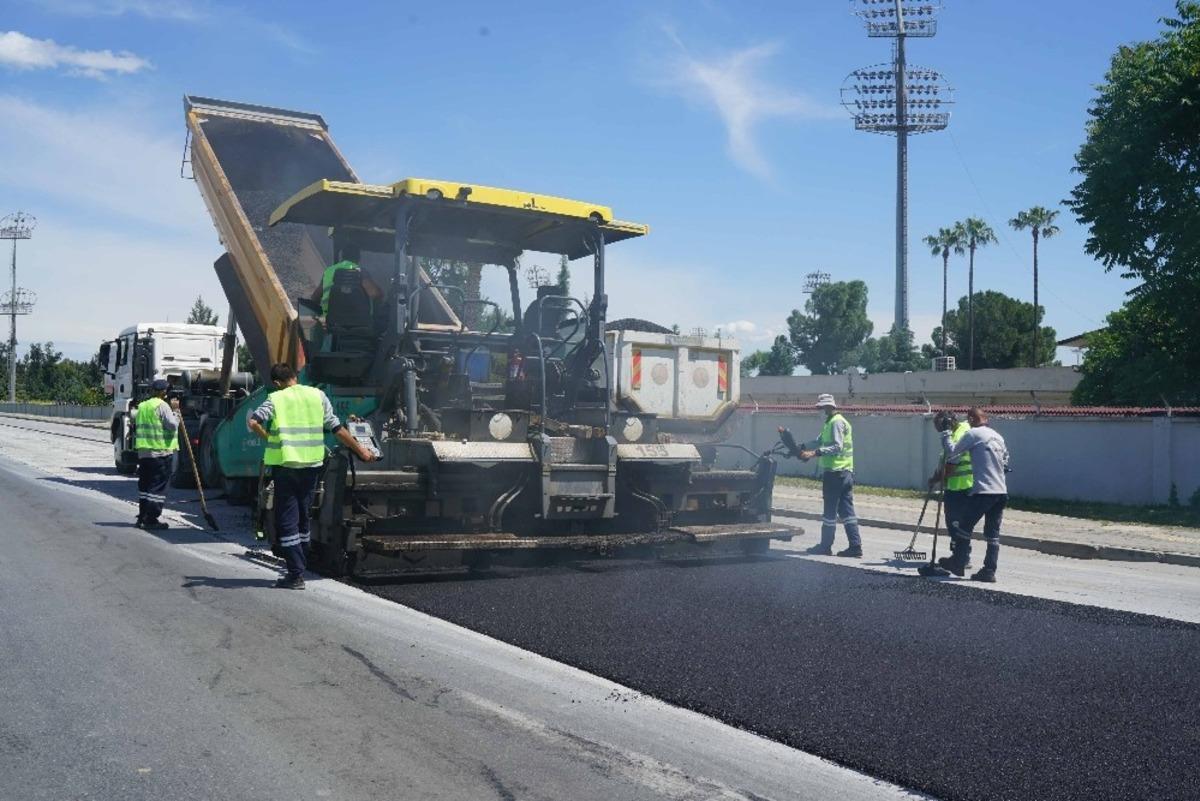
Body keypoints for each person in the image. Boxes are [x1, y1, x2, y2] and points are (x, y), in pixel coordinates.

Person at [248, 363, 378, 589]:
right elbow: (338, 429)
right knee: (303, 516)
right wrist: (362, 451)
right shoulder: (318, 396)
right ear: (295, 377)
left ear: (277, 383)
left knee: (287, 519)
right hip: (312, 465)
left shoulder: (277, 399)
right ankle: (302, 563)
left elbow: (253, 421)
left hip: (286, 465)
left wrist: (268, 438)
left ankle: (296, 574)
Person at [939, 407, 1010, 582]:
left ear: (971, 419)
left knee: (964, 527)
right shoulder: (998, 436)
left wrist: (945, 432)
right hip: (1001, 492)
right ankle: (989, 570)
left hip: (984, 491)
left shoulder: (974, 434)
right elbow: (1006, 461)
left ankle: (958, 562)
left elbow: (953, 450)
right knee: (992, 533)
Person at [798, 394, 862, 557]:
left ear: (828, 406)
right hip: (844, 473)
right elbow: (819, 441)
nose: (819, 410)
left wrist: (814, 453)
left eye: (821, 407)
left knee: (829, 513)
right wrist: (802, 446)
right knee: (847, 512)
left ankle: (825, 546)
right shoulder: (831, 422)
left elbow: (837, 447)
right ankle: (855, 546)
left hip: (836, 473)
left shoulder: (836, 422)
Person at [134, 378, 181, 530]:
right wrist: (176, 412)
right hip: (160, 453)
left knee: (145, 486)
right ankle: (151, 518)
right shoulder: (163, 406)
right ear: (163, 393)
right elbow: (172, 426)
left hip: (144, 453)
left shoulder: (143, 406)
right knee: (158, 487)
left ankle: (142, 516)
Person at [928, 410, 973, 567]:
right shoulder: (954, 433)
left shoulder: (961, 433)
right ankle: (959, 555)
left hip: (963, 486)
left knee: (956, 523)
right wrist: (936, 477)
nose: (939, 430)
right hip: (955, 486)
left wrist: (940, 479)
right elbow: (945, 459)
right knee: (955, 523)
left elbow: (953, 461)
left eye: (940, 426)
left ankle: (962, 557)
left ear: (947, 422)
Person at [319, 242, 363, 316]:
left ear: (342, 256)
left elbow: (316, 296)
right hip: (356, 320)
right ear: (358, 258)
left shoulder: (329, 271)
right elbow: (374, 293)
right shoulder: (360, 271)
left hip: (329, 319)